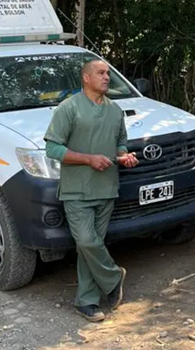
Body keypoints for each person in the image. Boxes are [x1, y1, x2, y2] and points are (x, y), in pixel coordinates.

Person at [44, 59, 140, 322]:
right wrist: (88, 159)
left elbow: (120, 142)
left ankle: (86, 301)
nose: (106, 77)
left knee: (90, 247)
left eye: (108, 73)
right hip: (76, 191)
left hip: (107, 188)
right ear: (86, 78)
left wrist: (124, 156)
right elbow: (52, 148)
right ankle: (113, 277)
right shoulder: (69, 108)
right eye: (101, 73)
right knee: (86, 241)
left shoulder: (114, 110)